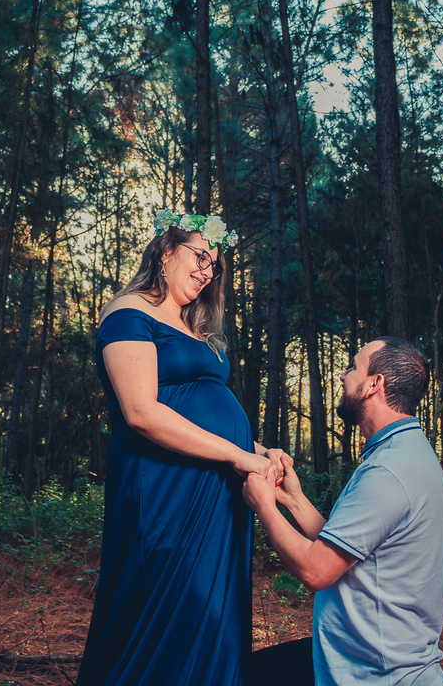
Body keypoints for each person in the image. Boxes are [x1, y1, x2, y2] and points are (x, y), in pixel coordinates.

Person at [75, 209, 289, 686]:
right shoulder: (128, 311)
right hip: (164, 486)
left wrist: (257, 448)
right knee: (166, 603)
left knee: (215, 611)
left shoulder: (194, 327)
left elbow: (199, 410)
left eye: (213, 265)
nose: (206, 270)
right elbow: (142, 412)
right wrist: (239, 454)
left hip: (215, 489)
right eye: (199, 255)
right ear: (166, 252)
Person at [243, 337, 443, 686]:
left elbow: (315, 571)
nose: (343, 376)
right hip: (365, 658)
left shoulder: (388, 471)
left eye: (354, 367)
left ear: (374, 384)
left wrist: (263, 505)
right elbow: (348, 548)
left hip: (373, 674)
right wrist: (293, 499)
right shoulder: (406, 451)